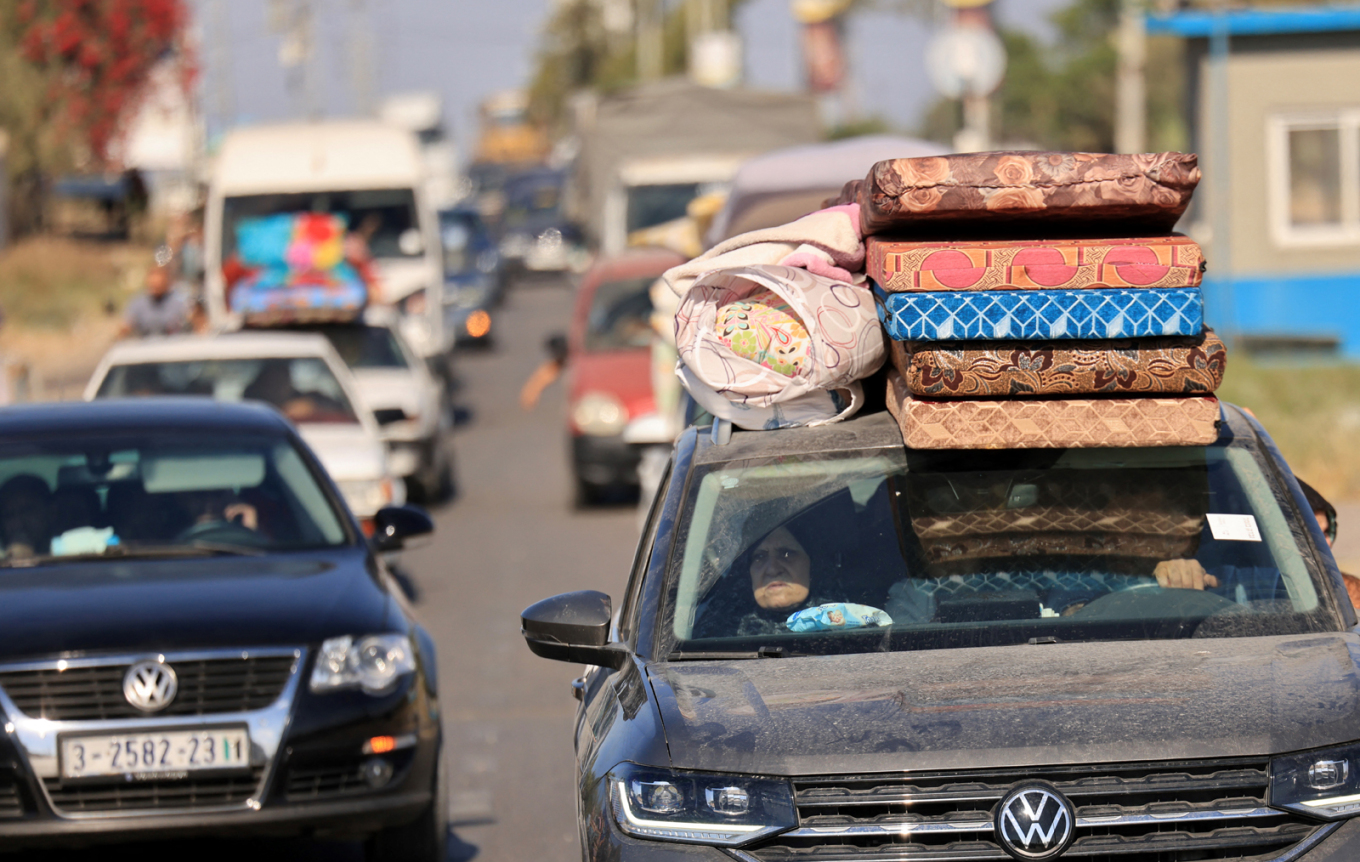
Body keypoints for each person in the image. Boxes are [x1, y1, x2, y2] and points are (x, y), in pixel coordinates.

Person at [119, 264, 190, 339]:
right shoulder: (137, 303)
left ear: (168, 282)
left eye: (160, 283)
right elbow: (126, 326)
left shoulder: (180, 300)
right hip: (146, 347)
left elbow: (197, 323)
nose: (155, 287)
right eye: (153, 285)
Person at [0, 474, 54, 560]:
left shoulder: (73, 553)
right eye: (9, 515)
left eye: (26, 511)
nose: (18, 523)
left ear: (49, 512)